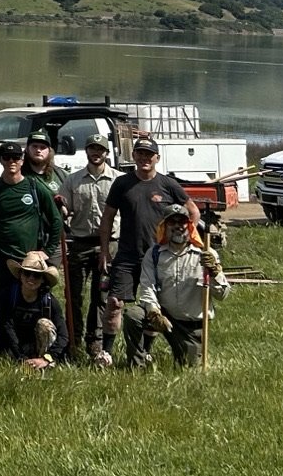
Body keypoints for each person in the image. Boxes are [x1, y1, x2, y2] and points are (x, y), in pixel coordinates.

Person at [98, 136, 200, 366]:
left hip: (158, 257)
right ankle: (106, 353)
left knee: (154, 306)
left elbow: (193, 211)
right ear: (133, 156)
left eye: (149, 155)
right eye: (140, 153)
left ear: (157, 158)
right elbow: (107, 219)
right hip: (127, 255)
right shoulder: (122, 183)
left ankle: (145, 350)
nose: (144, 158)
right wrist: (104, 251)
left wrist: (185, 241)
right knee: (114, 302)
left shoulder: (168, 184)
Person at [0, 142, 63, 356]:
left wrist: (47, 250)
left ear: (22, 161)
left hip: (29, 260)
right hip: (1, 257)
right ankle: (2, 342)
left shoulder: (34, 186)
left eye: (16, 158)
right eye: (7, 157)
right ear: (1, 160)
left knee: (34, 300)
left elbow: (55, 220)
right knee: (1, 301)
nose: (12, 161)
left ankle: (36, 340)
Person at [134, 208, 227, 368]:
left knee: (188, 367)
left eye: (182, 222)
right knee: (133, 316)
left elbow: (222, 295)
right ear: (164, 226)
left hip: (190, 324)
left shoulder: (205, 254)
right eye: (172, 222)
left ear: (189, 225)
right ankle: (138, 364)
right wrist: (153, 311)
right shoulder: (154, 254)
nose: (177, 226)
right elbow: (147, 286)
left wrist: (214, 272)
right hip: (163, 315)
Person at [58, 136, 118, 365]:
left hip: (109, 244)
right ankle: (72, 339)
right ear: (87, 151)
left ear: (106, 152)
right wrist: (61, 208)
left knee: (101, 295)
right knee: (74, 295)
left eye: (100, 149)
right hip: (80, 242)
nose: (96, 152)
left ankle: (95, 340)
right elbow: (65, 208)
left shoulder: (117, 180)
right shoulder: (73, 180)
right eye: (92, 148)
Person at [4, 250, 68, 369]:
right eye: (27, 273)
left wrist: (47, 358)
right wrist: (20, 356)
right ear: (20, 275)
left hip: (43, 347)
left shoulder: (49, 301)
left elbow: (63, 335)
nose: (31, 278)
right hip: (18, 346)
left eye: (37, 275)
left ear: (43, 279)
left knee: (44, 325)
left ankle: (44, 363)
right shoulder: (10, 297)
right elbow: (7, 327)